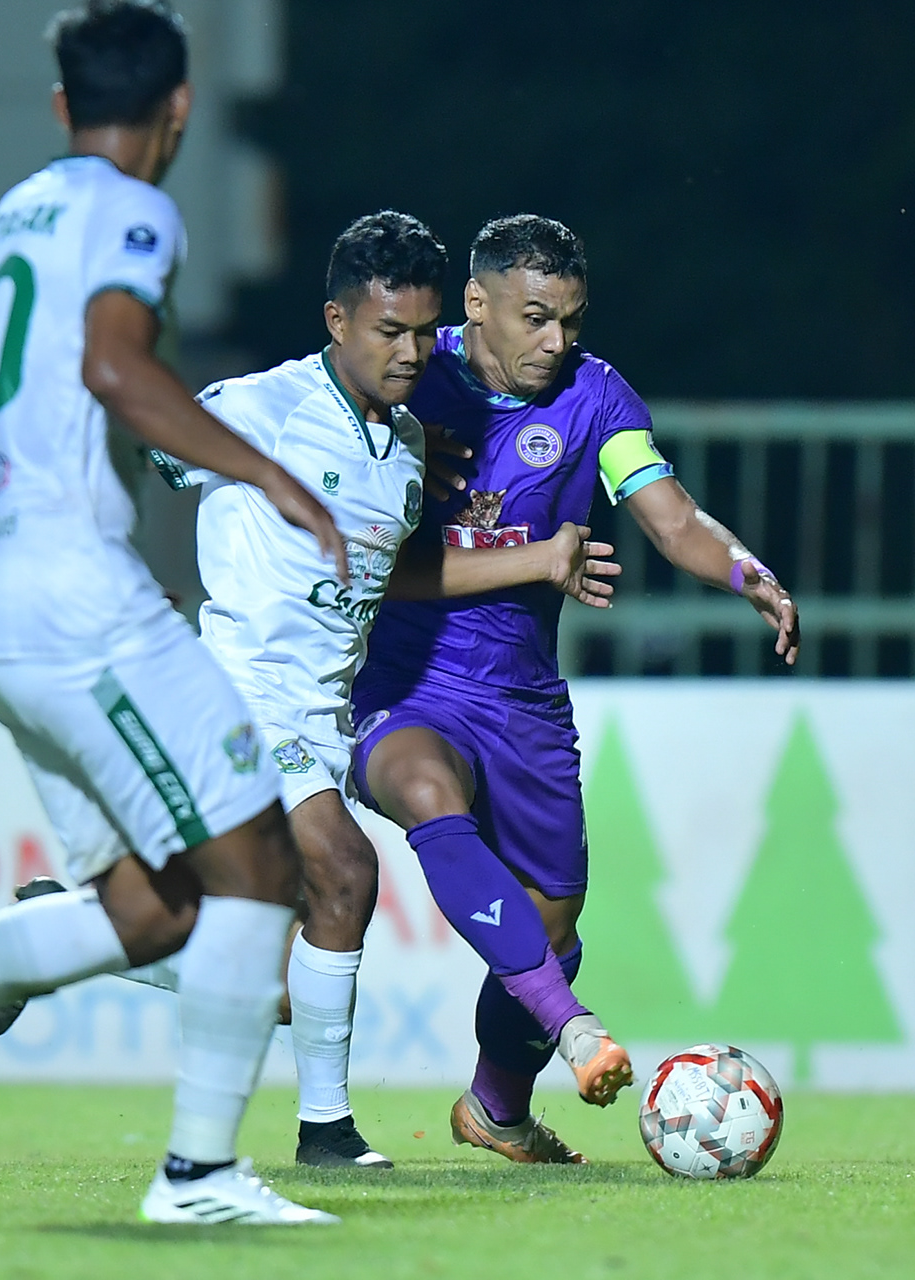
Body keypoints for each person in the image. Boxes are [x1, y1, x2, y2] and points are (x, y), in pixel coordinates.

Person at [0, 211, 620, 1169]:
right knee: (347, 871)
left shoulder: (410, 443)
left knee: (276, 976)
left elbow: (401, 573)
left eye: (420, 332)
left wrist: (526, 556)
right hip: (238, 695)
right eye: (387, 332)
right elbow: (105, 450)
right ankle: (326, 1134)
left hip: (319, 713)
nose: (410, 354)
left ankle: (42, 936)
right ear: (337, 321)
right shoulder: (261, 407)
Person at [0, 1, 345, 1226]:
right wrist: (268, 472)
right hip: (85, 604)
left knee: (153, 906)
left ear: (60, 106)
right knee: (261, 863)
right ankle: (200, 1174)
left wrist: (16, 525)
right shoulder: (134, 210)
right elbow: (113, 366)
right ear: (180, 107)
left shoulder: (11, 219)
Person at [352, 213, 801, 1165]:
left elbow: (672, 517)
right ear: (477, 304)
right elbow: (362, 549)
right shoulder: (408, 374)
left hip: (523, 701)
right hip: (410, 680)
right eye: (536, 318)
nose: (556, 340)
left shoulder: (595, 399)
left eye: (572, 320)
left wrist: (743, 568)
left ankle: (496, 1110)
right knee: (426, 789)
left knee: (551, 926)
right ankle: (574, 1028)